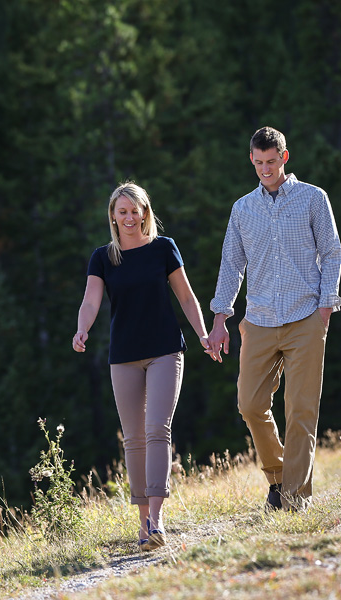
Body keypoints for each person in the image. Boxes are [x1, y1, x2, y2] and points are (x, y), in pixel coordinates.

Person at [207, 126, 341, 511]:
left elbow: (332, 253)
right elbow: (231, 265)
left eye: (272, 162)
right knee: (249, 404)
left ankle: (294, 497)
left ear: (285, 157)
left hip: (306, 318)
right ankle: (279, 476)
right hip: (260, 319)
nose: (265, 169)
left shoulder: (314, 198)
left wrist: (325, 307)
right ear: (251, 159)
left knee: (301, 409)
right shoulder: (242, 209)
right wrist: (220, 319)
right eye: (258, 162)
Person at [73, 182, 211, 551]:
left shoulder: (164, 249)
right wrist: (82, 329)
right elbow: (90, 300)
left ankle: (158, 519)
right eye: (123, 211)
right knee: (133, 438)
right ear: (113, 217)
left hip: (165, 349)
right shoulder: (103, 257)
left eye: (136, 210)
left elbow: (185, 294)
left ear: (146, 213)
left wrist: (202, 334)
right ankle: (143, 524)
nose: (130, 217)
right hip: (124, 355)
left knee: (157, 430)